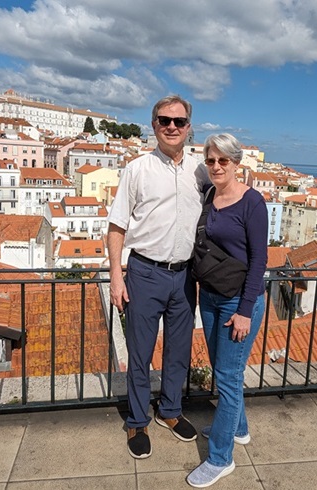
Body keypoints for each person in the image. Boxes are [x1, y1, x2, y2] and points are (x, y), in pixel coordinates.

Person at [108, 95, 209, 459]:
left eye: (179, 121)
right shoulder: (137, 169)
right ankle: (137, 420)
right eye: (164, 120)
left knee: (179, 350)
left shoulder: (201, 171)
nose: (171, 126)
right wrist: (116, 276)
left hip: (185, 275)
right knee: (140, 352)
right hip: (145, 272)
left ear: (188, 128)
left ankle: (169, 411)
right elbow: (117, 226)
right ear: (153, 125)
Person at [186, 133, 268, 488]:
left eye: (223, 160)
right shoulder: (209, 195)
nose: (217, 166)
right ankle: (238, 428)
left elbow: (259, 260)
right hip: (210, 297)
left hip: (239, 301)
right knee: (225, 373)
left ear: (236, 163)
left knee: (228, 376)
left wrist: (246, 311)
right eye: (211, 160)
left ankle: (220, 458)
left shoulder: (253, 202)